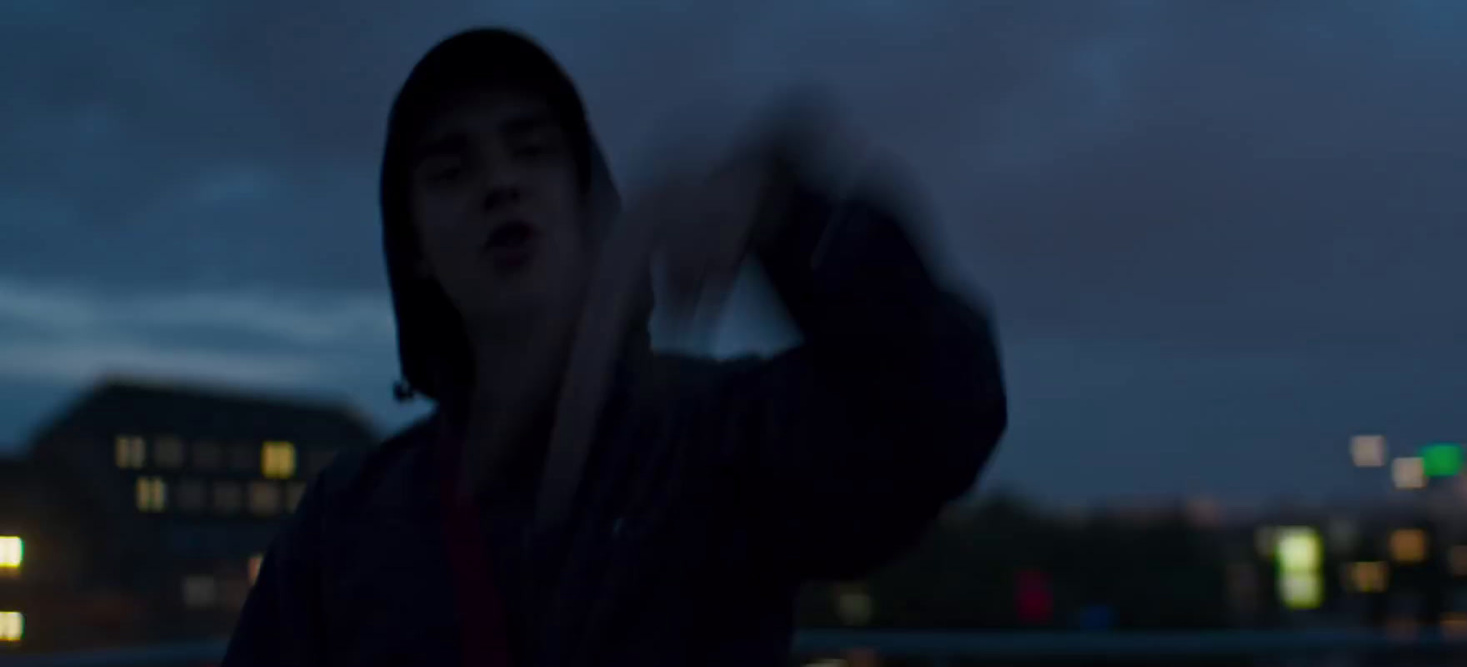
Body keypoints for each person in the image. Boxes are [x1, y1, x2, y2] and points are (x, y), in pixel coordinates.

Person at [223, 27, 1006, 667]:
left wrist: (793, 215)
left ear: (586, 199)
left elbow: (941, 414)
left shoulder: (713, 438)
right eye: (452, 170)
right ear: (415, 245)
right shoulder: (348, 519)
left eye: (532, 150)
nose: (501, 183)